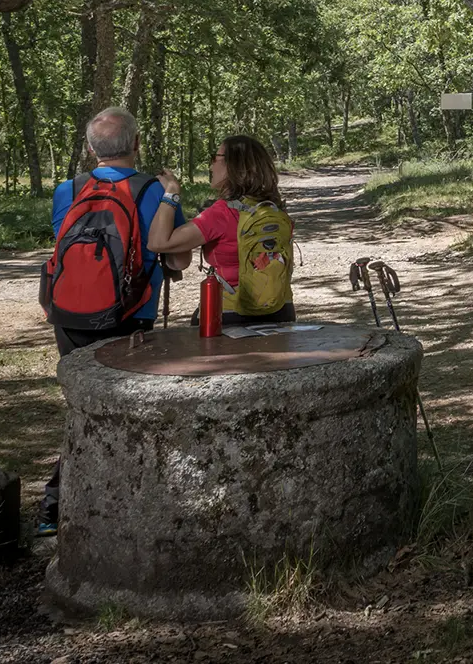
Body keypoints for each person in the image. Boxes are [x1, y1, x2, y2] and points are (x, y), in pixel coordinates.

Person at [35, 107, 185, 537]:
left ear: (89, 149)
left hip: (70, 316)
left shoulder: (68, 189)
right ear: (136, 144)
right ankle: (126, 507)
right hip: (130, 316)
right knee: (129, 411)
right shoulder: (155, 190)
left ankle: (54, 509)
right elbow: (177, 257)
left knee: (82, 407)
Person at [154, 134, 296, 326]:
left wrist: (171, 192)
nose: (211, 166)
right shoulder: (275, 209)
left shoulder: (221, 213)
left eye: (215, 158)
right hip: (281, 310)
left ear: (234, 165)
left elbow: (158, 242)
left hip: (229, 314)